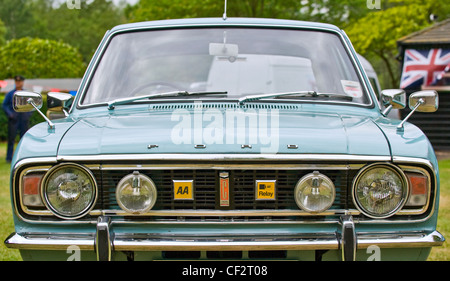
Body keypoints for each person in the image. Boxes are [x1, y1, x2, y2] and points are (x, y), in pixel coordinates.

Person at [2, 75, 32, 163]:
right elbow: (4, 105)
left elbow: (32, 105)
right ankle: (9, 158)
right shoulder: (10, 94)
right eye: (17, 81)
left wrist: (28, 114)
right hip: (13, 119)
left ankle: (23, 157)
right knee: (11, 138)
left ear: (22, 82)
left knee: (24, 138)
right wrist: (10, 114)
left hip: (23, 118)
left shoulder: (26, 94)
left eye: (20, 81)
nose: (18, 83)